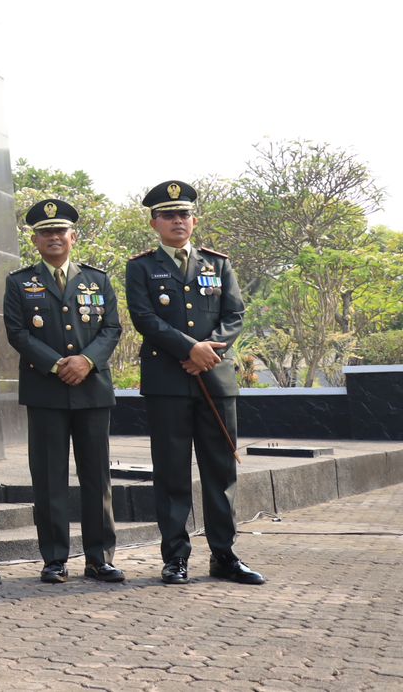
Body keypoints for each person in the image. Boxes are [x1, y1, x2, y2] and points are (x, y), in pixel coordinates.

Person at [126, 180, 263, 586]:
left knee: (220, 472)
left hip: (216, 381)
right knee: (171, 473)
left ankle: (224, 555)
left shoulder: (217, 264)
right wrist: (190, 349)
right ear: (154, 223)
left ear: (194, 220)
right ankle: (176, 558)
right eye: (168, 215)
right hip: (168, 382)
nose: (177, 221)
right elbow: (144, 318)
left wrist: (209, 354)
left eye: (183, 214)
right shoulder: (142, 267)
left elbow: (234, 314)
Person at [3, 198, 124, 584]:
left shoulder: (97, 280)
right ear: (35, 240)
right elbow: (18, 333)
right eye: (45, 232)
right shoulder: (19, 282)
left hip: (92, 389)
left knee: (96, 478)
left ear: (73, 236)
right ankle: (54, 558)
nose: (54, 237)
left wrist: (86, 361)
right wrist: (58, 364)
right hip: (46, 391)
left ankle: (99, 558)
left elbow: (111, 329)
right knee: (50, 479)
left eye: (60, 231)